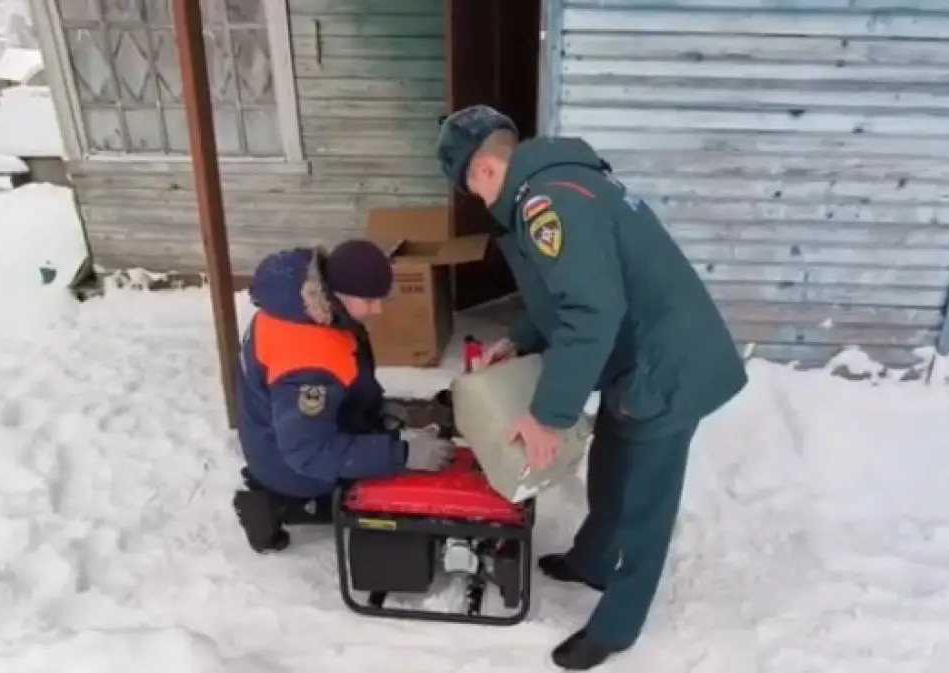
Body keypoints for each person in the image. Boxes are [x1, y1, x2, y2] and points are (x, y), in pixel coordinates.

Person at [436, 106, 748, 669]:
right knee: (610, 464)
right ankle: (593, 560)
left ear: (482, 170)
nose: (478, 200)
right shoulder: (560, 183)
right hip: (640, 357)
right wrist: (521, 337)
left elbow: (590, 312)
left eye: (470, 189)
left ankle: (617, 626)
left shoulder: (548, 203)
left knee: (646, 501)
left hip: (670, 366)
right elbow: (572, 290)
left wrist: (548, 415)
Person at [232, 241, 454, 553]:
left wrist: (376, 409)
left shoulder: (306, 302)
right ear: (339, 292)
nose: (378, 310)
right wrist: (402, 454)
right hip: (288, 462)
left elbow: (345, 372)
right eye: (370, 300)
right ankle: (273, 503)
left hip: (289, 428)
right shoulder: (307, 358)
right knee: (380, 483)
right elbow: (309, 454)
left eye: (381, 298)